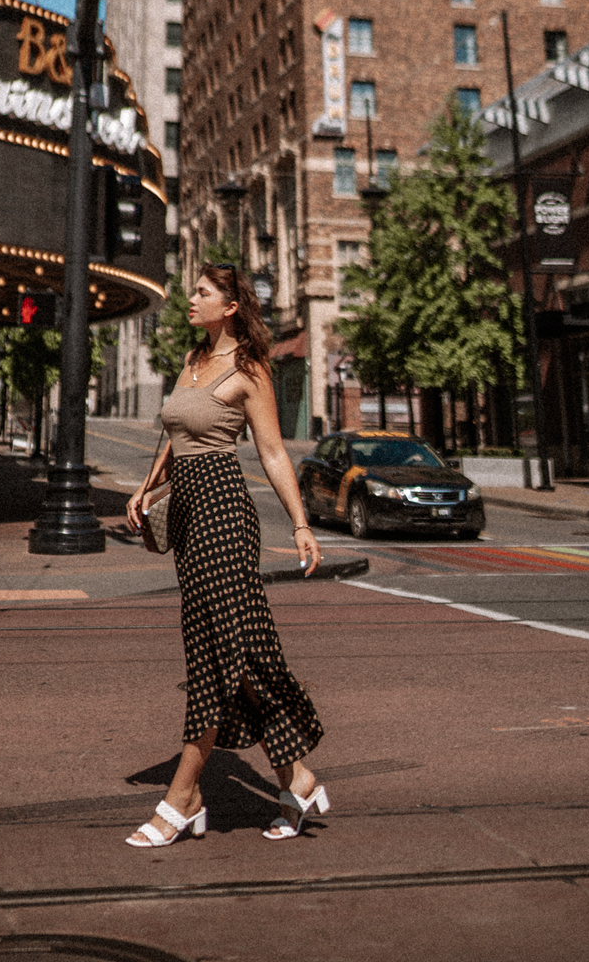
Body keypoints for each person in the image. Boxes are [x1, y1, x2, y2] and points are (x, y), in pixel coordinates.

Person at [124, 262, 328, 847]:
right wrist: (144, 488)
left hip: (222, 511)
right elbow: (172, 437)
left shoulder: (249, 369)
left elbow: (273, 453)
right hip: (187, 515)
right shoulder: (192, 361)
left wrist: (300, 524)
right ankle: (296, 775)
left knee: (221, 654)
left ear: (231, 305)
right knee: (226, 651)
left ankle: (182, 797)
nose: (192, 300)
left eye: (203, 293)